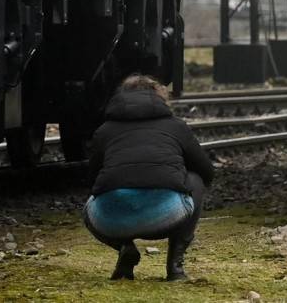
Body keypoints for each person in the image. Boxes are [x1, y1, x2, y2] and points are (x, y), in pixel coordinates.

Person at [83, 73, 213, 282]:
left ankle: (125, 247)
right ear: (159, 97)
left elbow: (91, 181)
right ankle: (175, 267)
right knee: (195, 180)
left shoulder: (104, 131)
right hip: (167, 217)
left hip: (112, 222)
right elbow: (207, 171)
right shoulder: (176, 126)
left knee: (91, 204)